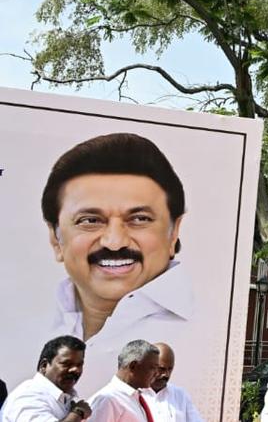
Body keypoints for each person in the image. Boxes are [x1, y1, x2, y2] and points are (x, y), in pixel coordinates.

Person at [41, 133, 193, 394]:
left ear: (174, 233)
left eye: (139, 219)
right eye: (90, 220)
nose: (114, 242)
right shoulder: (28, 321)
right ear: (56, 238)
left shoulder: (198, 325)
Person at [0, 336, 91, 422]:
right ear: (44, 366)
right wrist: (77, 413)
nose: (75, 369)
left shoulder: (63, 397)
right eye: (66, 364)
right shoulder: (29, 395)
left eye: (79, 365)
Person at [87, 341, 159, 422]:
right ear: (133, 366)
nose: (157, 373)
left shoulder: (135, 397)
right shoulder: (108, 400)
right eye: (152, 367)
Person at [139, 345, 202, 422]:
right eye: (161, 369)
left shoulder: (180, 395)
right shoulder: (135, 394)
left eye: (170, 369)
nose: (166, 374)